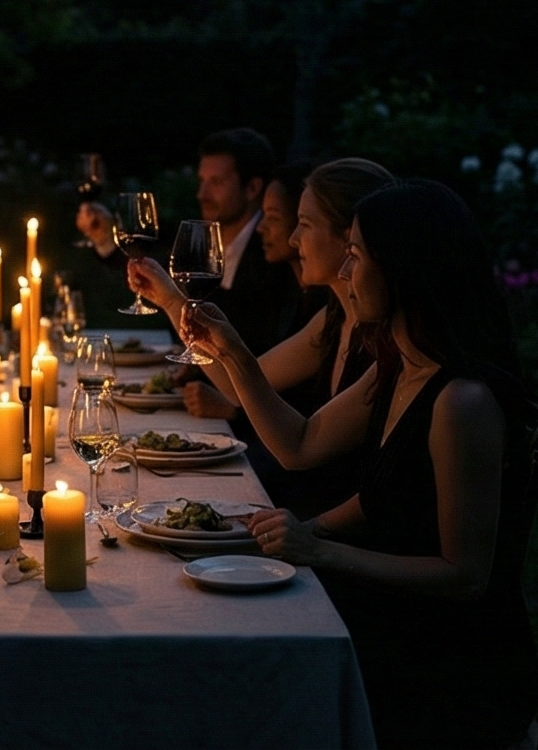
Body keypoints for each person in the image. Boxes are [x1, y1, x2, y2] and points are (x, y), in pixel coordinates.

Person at [185, 179, 538, 748]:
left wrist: (319, 549)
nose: (345, 274)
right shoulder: (397, 366)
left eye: (355, 255)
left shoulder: (461, 400)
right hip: (393, 618)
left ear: (401, 268)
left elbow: (466, 574)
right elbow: (300, 444)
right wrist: (230, 353)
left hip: (446, 665)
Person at [129, 158, 393, 518]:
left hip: (321, 518)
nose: (293, 239)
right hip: (305, 510)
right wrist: (171, 301)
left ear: (350, 238)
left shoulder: (391, 348)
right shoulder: (331, 320)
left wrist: (231, 348)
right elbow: (238, 388)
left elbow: (298, 447)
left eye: (304, 224)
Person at [77, 129, 300, 348]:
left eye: (216, 182)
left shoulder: (275, 252)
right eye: (202, 181)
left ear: (252, 188)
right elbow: (157, 279)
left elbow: (250, 336)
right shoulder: (200, 241)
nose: (201, 194)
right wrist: (107, 238)